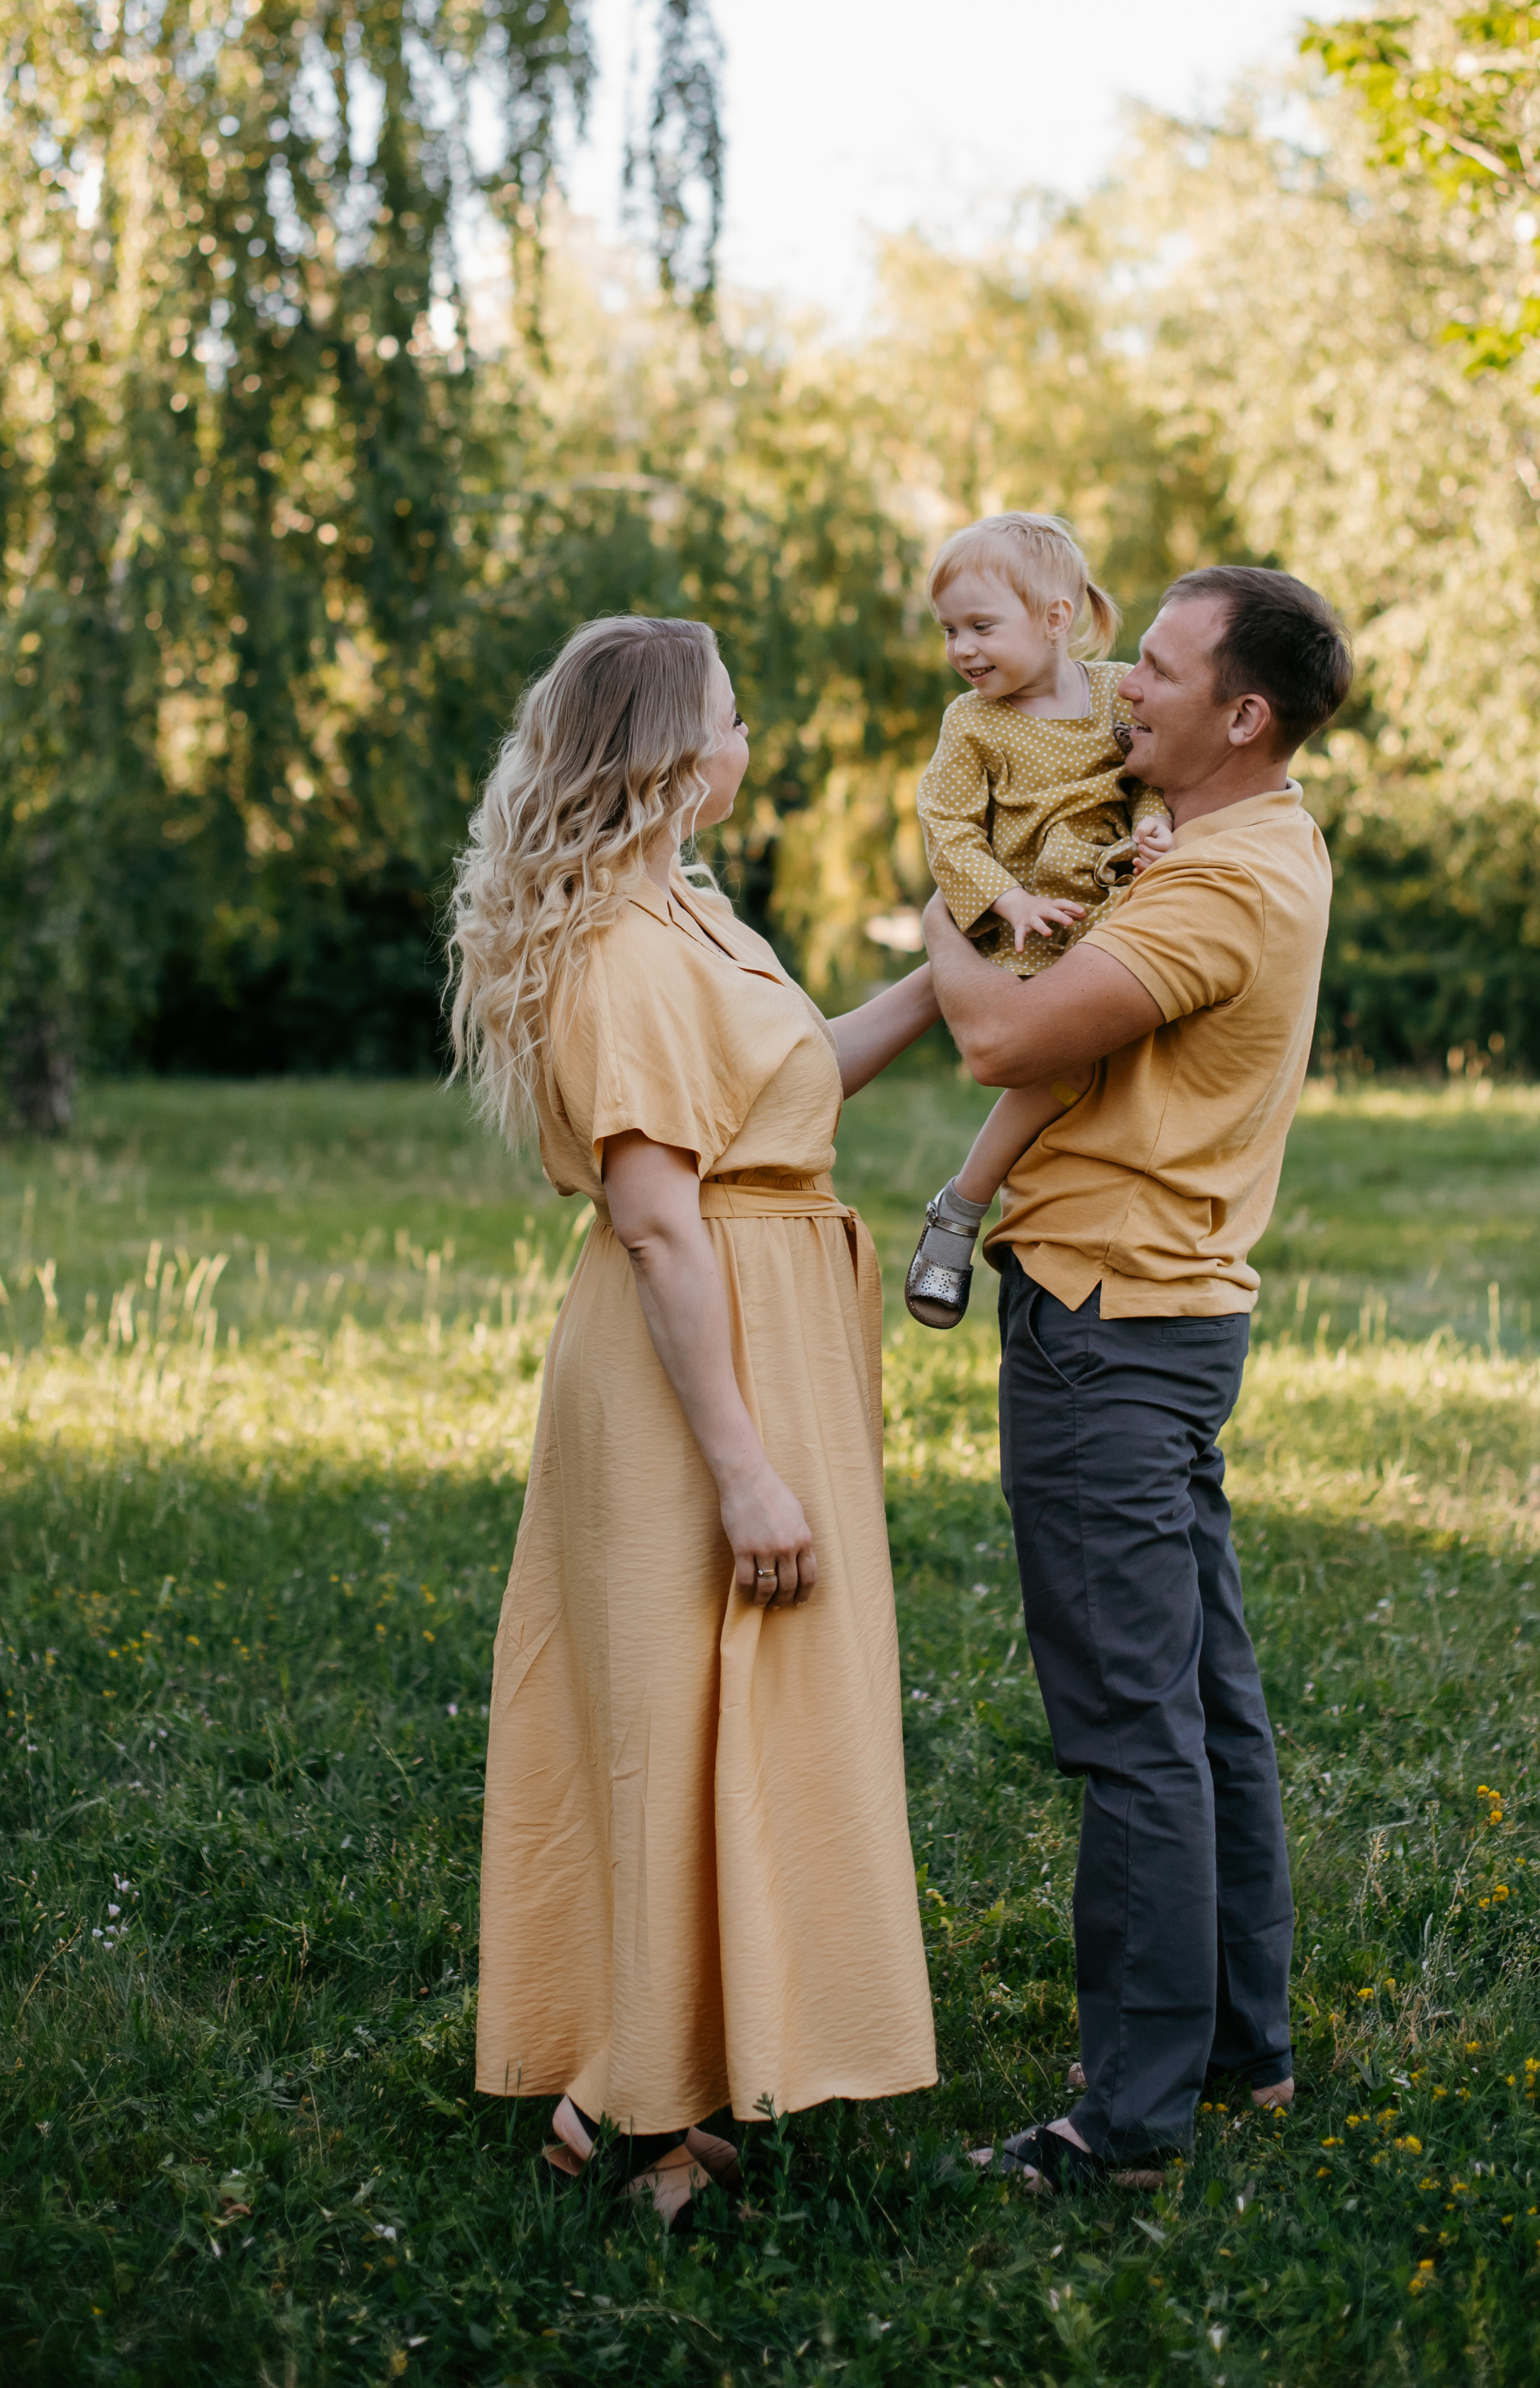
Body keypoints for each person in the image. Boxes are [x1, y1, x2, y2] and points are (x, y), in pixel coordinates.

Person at [446, 613, 939, 2232]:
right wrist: (739, 1465)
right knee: (668, 1710)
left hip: (765, 1313)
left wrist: (949, 971)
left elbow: (790, 1095)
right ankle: (622, 2106)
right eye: (730, 719)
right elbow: (661, 1219)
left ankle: (691, 2068)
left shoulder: (695, 914)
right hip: (688, 1366)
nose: (748, 743)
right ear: (672, 751)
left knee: (754, 1709)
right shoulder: (619, 948)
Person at [921, 564, 1354, 2195]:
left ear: (1242, 714)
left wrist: (939, 888)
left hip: (1108, 1322)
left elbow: (999, 1038)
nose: (1120, 688)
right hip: (1166, 1317)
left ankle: (1127, 2121)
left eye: (1159, 672)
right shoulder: (1264, 836)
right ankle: (1240, 2056)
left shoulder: (1209, 889)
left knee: (1130, 1733)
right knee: (1201, 1711)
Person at [904, 513, 1171, 1333]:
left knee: (1125, 1057)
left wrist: (1157, 821)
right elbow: (947, 826)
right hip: (1031, 915)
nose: (962, 649)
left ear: (1056, 619)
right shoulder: (973, 724)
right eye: (950, 630)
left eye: (982, 626)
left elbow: (1151, 773)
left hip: (1116, 897)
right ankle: (962, 1206)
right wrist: (1005, 901)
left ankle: (1080, 1199)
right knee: (1053, 1066)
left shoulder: (1113, 692)